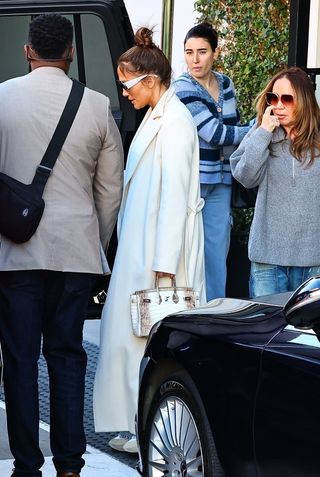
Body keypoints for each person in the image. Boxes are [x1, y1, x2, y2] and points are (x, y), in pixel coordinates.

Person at [0, 13, 124, 477]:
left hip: (15, 255)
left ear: (28, 50)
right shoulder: (96, 106)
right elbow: (110, 192)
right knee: (68, 356)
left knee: (19, 359)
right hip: (75, 253)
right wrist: (97, 242)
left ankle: (27, 466)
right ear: (70, 53)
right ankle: (71, 465)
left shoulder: (2, 99)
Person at [93, 27, 205, 453]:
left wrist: (165, 262)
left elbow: (176, 196)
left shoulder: (174, 121)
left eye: (127, 84)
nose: (124, 93)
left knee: (145, 343)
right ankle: (139, 425)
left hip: (157, 257)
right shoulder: (160, 116)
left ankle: (148, 429)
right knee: (132, 341)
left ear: (150, 80)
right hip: (145, 249)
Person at [173, 22, 250, 301]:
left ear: (215, 53)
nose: (194, 59)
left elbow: (234, 123)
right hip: (192, 180)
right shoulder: (182, 87)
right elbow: (214, 133)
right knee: (186, 252)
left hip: (222, 180)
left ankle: (214, 311)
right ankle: (188, 313)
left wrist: (247, 129)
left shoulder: (225, 83)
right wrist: (258, 129)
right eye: (189, 52)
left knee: (217, 252)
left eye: (202, 51)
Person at [230, 66, 320, 297]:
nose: (278, 105)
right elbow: (245, 176)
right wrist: (263, 132)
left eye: (287, 99)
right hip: (267, 259)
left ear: (304, 101)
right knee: (265, 331)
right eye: (273, 98)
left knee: (306, 333)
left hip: (312, 260)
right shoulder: (263, 133)